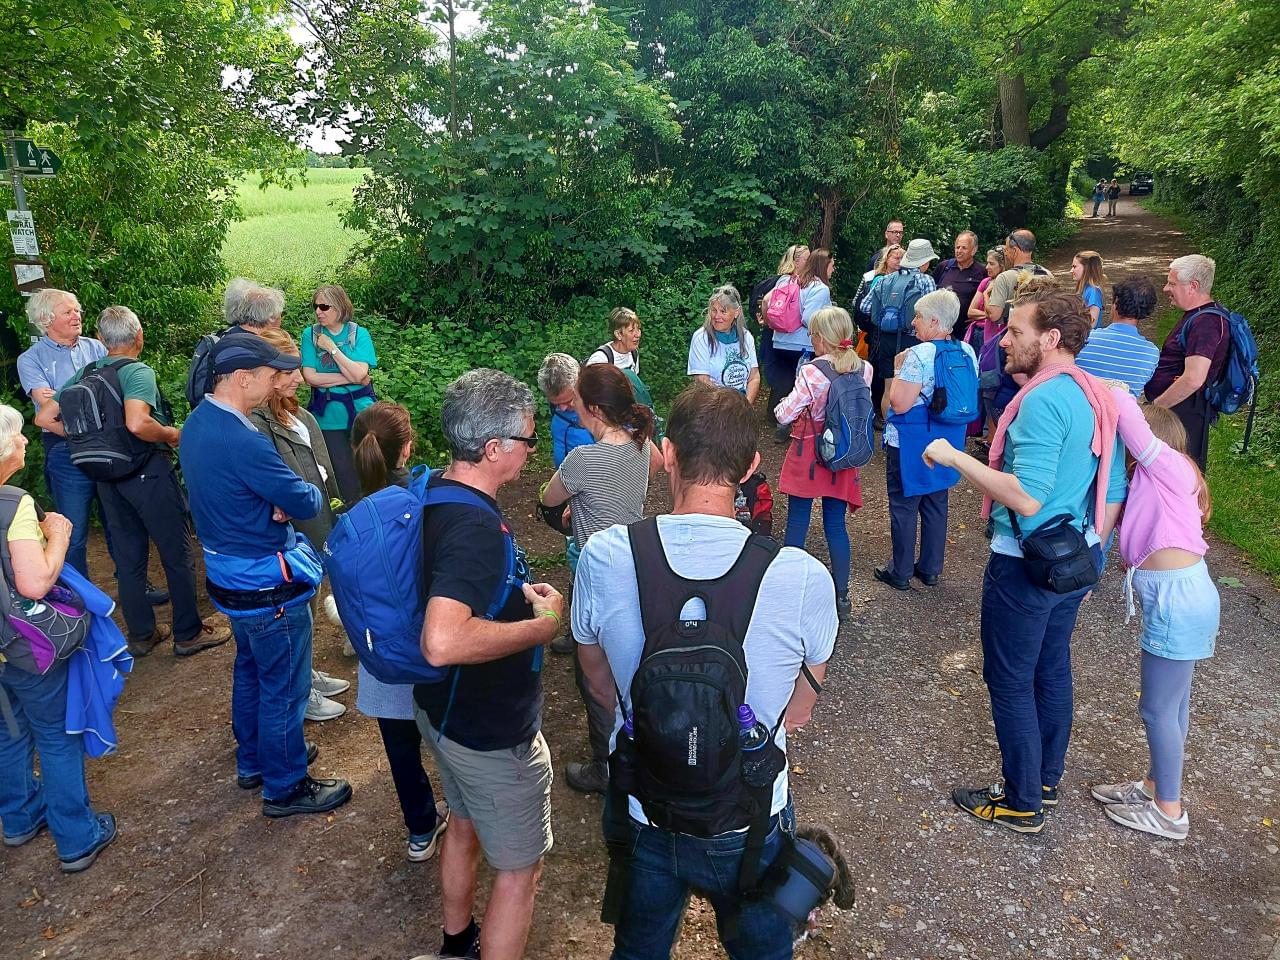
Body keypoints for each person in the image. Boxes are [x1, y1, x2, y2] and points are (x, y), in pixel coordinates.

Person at [573, 382, 837, 960]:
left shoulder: (606, 556)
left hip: (647, 803)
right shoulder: (802, 576)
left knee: (638, 950)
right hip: (750, 816)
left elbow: (597, 683)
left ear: (666, 453)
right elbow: (799, 712)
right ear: (751, 466)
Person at [922, 291, 1128, 834]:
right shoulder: (1093, 392)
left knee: (1010, 678)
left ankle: (1019, 802)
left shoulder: (1042, 400)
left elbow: (1027, 495)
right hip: (1071, 558)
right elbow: (1109, 485)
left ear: (1051, 339)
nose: (1003, 340)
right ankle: (1043, 781)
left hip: (1026, 563)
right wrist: (1096, 543)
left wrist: (954, 456)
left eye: (1014, 331)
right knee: (1051, 664)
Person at [412, 369, 564, 960]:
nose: (533, 450)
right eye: (528, 440)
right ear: (495, 448)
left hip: (443, 715)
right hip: (487, 730)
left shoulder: (436, 492)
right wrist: (543, 626)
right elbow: (442, 640)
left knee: (465, 822)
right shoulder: (476, 527)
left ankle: (457, 944)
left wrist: (511, 597)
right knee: (519, 872)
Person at [180, 333, 351, 817]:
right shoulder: (241, 437)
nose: (276, 382)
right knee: (285, 685)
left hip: (228, 576)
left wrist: (267, 499)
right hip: (266, 582)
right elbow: (306, 498)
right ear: (241, 378)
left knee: (252, 669)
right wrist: (282, 498)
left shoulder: (199, 423)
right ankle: (286, 784)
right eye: (268, 374)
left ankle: (256, 759)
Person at [34, 306, 230, 658]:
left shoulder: (86, 371)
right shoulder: (136, 371)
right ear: (138, 336)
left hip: (107, 477)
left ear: (103, 340)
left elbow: (44, 418)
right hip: (146, 472)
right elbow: (139, 423)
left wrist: (85, 439)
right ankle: (188, 632)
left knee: (128, 558)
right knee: (176, 551)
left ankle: (141, 634)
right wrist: (172, 434)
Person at [1091, 391, 1217, 840]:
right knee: (1174, 706)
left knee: (1157, 708)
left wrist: (1113, 391)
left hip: (1177, 602)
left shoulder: (1165, 465)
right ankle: (1154, 785)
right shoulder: (1164, 478)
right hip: (1187, 596)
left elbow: (1133, 425)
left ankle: (1169, 811)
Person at [0, 404, 118, 873]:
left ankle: (20, 817)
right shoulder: (13, 503)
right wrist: (60, 536)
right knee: (54, 735)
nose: (27, 442)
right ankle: (77, 836)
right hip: (25, 647)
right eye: (18, 436)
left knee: (8, 733)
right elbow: (34, 583)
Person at [540, 364, 660, 795]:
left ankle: (606, 766)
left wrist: (571, 513)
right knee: (631, 663)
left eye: (576, 404)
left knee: (592, 676)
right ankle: (641, 747)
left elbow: (548, 501)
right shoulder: (642, 446)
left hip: (595, 573)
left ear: (593, 409)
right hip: (637, 566)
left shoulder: (582, 459)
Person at [348, 402, 450, 862]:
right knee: (448, 740)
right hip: (432, 645)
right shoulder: (426, 502)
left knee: (400, 748)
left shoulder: (354, 519)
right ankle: (466, 814)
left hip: (382, 657)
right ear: (407, 449)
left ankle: (420, 829)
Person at [246, 327, 350, 722]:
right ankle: (300, 689)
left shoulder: (298, 413)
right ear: (267, 375)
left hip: (318, 518)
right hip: (293, 528)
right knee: (296, 603)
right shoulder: (255, 423)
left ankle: (305, 672)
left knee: (310, 594)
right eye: (288, 371)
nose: (298, 377)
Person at [774, 306, 871, 623]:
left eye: (813, 333)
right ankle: (841, 595)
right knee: (835, 525)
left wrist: (782, 407)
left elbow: (785, 414)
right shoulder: (863, 370)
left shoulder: (812, 372)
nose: (810, 338)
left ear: (823, 338)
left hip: (810, 453)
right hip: (842, 455)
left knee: (798, 522)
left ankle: (788, 593)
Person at [875, 290, 976, 591]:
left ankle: (901, 571)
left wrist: (896, 368)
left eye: (918, 317)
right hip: (949, 438)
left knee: (904, 504)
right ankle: (930, 569)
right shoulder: (966, 350)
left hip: (913, 440)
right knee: (936, 501)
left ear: (934, 321)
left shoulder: (918, 355)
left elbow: (900, 403)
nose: (914, 322)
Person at [15, 288, 119, 581]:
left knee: (119, 521)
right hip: (64, 447)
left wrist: (62, 397)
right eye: (68, 311)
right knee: (72, 529)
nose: (77, 316)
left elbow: (106, 395)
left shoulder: (97, 349)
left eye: (77, 310)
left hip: (106, 442)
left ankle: (135, 584)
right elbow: (47, 411)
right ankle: (78, 597)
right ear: (47, 319)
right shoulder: (30, 359)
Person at [1146, 255, 1232, 473]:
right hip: (1181, 410)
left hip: (1183, 412)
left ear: (1193, 286)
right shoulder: (1200, 316)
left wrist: (1156, 408)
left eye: (1172, 283)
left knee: (1177, 474)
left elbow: (1193, 378)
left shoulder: (1207, 323)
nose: (1166, 289)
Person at [300, 283, 378, 503]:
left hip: (362, 414)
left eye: (324, 306)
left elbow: (360, 372)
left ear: (339, 306)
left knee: (370, 466)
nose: (318, 312)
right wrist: (350, 377)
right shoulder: (311, 334)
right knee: (343, 474)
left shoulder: (358, 334)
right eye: (315, 306)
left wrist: (332, 348)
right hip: (328, 418)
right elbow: (311, 377)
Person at [869, 238, 938, 422]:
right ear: (924, 262)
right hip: (913, 341)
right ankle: (904, 435)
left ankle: (888, 432)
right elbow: (933, 313)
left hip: (886, 339)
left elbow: (866, 307)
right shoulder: (926, 281)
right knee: (910, 390)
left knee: (888, 389)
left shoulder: (886, 279)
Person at [768, 250, 835, 405]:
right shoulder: (820, 288)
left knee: (782, 382)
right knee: (800, 385)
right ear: (824, 266)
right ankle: (794, 423)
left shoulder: (787, 280)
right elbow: (809, 318)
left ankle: (776, 418)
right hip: (803, 345)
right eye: (832, 265)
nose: (834, 269)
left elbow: (767, 302)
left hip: (779, 339)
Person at [1076, 277, 1161, 398]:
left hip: (1081, 410)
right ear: (1147, 311)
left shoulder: (1084, 339)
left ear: (1115, 303)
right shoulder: (1151, 353)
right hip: (1121, 415)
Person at [755, 244, 810, 421]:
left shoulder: (778, 280)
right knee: (791, 378)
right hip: (790, 335)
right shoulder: (794, 281)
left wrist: (768, 322)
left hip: (774, 333)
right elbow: (766, 300)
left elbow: (764, 302)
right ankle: (783, 418)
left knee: (780, 376)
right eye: (807, 259)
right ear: (796, 261)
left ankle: (775, 416)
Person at [687, 285, 761, 402]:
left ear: (736, 312)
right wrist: (727, 406)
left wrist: (746, 405)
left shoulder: (746, 337)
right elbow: (702, 380)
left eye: (723, 311)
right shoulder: (701, 338)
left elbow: (754, 377)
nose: (717, 316)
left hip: (741, 406)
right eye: (714, 310)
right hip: (711, 406)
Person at [984, 229, 1052, 326]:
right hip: (1040, 333)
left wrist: (985, 295)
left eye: (1007, 250)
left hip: (1014, 335)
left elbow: (994, 315)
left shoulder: (1004, 278)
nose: (1006, 254)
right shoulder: (1048, 274)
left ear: (1015, 250)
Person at [932, 231, 987, 338]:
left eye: (964, 248)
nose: (959, 251)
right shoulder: (944, 267)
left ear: (973, 250)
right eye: (957, 247)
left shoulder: (982, 272)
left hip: (965, 333)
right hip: (940, 331)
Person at [963, 247, 1006, 352]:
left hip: (996, 335)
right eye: (987, 263)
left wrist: (989, 314)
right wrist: (990, 315)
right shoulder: (985, 282)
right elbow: (970, 312)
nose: (987, 267)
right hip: (977, 332)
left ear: (1002, 266)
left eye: (991, 264)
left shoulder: (1006, 284)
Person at [586, 308, 643, 374]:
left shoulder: (633, 354)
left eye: (638, 329)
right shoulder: (600, 359)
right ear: (618, 334)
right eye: (631, 331)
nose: (638, 335)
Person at [1072, 250, 1107, 327]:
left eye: (1074, 267)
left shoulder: (1094, 291)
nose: (1071, 270)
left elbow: (1091, 325)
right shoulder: (1084, 288)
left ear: (1087, 268)